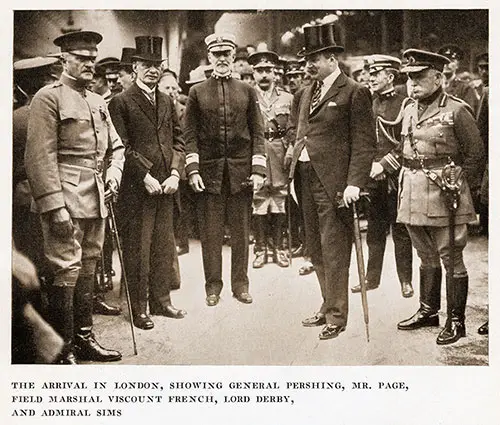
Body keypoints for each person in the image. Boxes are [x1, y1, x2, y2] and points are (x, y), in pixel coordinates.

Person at [25, 30, 124, 363]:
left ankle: (84, 339)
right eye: (82, 58)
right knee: (64, 269)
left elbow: (117, 147)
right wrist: (55, 206)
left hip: (96, 196)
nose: (89, 64)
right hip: (65, 197)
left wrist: (113, 174)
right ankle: (63, 347)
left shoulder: (97, 101)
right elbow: (39, 157)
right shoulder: (47, 98)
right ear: (63, 60)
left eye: (92, 58)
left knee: (89, 266)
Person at [287, 23, 376, 340]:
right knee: (315, 248)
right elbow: (297, 132)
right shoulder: (304, 92)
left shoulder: (354, 92)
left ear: (332, 58)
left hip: (336, 184)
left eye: (315, 57)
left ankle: (338, 316)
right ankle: (327, 305)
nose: (308, 64)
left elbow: (365, 143)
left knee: (335, 249)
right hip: (305, 178)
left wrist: (355, 182)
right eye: (306, 58)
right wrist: (292, 158)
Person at [396, 49, 485, 345]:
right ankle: (428, 311)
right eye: (409, 78)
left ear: (438, 77)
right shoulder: (409, 108)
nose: (412, 83)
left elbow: (475, 155)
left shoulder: (457, 110)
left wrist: (459, 188)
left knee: (451, 255)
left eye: (419, 77)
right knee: (425, 254)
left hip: (444, 193)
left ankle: (456, 321)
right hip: (411, 189)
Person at [108, 36, 187, 330]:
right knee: (138, 248)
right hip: (137, 189)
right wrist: (144, 176)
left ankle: (162, 301)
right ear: (136, 67)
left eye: (157, 65)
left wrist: (176, 173)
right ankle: (138, 307)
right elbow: (122, 147)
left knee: (163, 246)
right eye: (147, 65)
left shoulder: (167, 100)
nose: (153, 70)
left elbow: (178, 140)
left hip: (167, 186)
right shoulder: (121, 102)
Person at [184, 33, 266, 307]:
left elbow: (258, 133)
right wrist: (193, 170)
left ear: (233, 57)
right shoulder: (197, 92)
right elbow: (190, 134)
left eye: (226, 54)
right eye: (216, 54)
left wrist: (257, 170)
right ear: (209, 57)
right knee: (211, 233)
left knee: (242, 233)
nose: (221, 59)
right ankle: (212, 287)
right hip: (209, 174)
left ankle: (241, 285)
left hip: (241, 174)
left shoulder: (247, 90)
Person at [350, 54, 414, 298]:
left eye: (376, 74)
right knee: (375, 230)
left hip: (397, 174)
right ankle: (371, 278)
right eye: (370, 73)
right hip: (372, 176)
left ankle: (405, 281)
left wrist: (385, 165)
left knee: (401, 230)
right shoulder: (367, 101)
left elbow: (408, 141)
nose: (371, 78)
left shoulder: (406, 103)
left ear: (390, 76)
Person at [248, 50, 293, 269]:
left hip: (279, 150)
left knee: (279, 197)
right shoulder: (247, 96)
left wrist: (291, 149)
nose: (264, 75)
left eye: (268, 70)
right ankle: (260, 248)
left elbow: (292, 128)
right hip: (256, 151)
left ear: (275, 73)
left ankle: (280, 247)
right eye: (259, 71)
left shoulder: (287, 98)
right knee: (259, 198)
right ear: (253, 73)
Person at [438, 44, 479, 114]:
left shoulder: (465, 87)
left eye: (451, 61)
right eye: (444, 61)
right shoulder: (435, 85)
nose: (447, 64)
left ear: (457, 65)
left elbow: (469, 113)